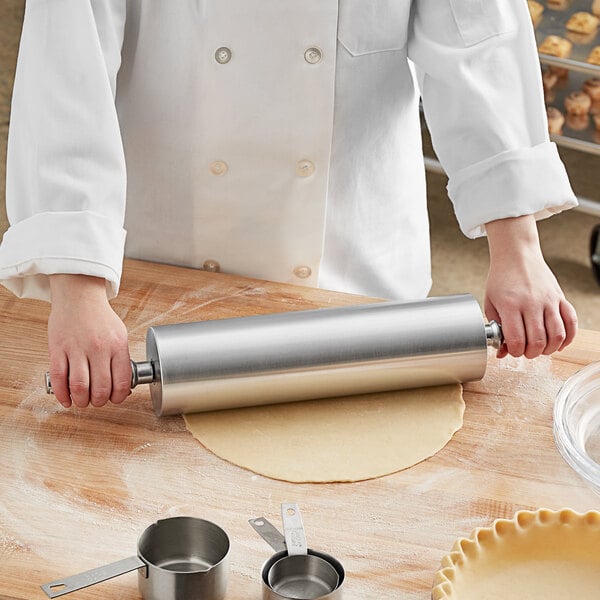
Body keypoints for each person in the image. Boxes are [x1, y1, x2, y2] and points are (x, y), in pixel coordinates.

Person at [0, 0, 578, 409]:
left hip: (352, 255)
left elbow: (476, 41)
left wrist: (517, 247)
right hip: (168, 263)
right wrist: (78, 290)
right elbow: (66, 68)